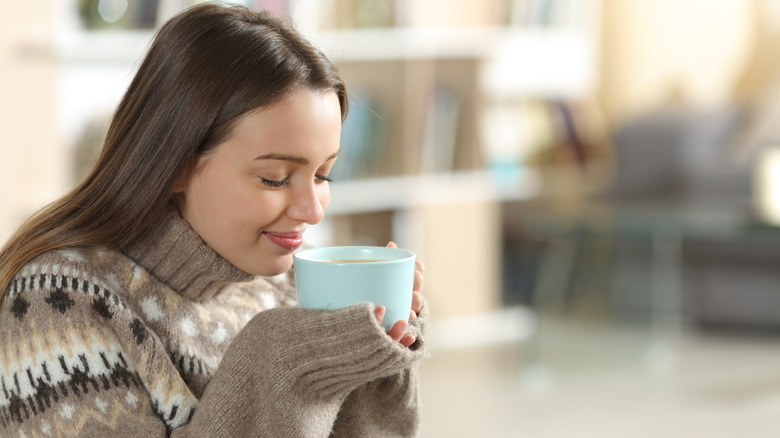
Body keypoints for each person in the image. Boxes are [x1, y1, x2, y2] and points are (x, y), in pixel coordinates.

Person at [0, 3, 427, 437]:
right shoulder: (58, 301)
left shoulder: (288, 285)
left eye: (323, 175)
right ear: (176, 163)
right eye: (274, 178)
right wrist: (280, 360)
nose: (314, 210)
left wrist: (373, 359)